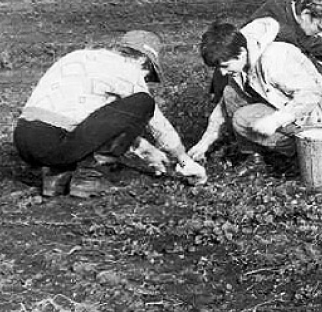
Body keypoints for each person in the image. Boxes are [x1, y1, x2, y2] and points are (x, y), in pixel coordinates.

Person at [13, 30, 207, 198]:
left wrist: (146, 150)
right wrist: (183, 159)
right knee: (143, 102)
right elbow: (156, 122)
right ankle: (90, 176)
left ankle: (56, 176)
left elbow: (100, 126)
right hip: (56, 142)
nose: (145, 79)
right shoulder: (127, 70)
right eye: (148, 72)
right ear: (142, 59)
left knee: (75, 118)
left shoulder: (79, 56)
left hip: (24, 138)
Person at [188, 18, 322, 164]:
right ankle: (254, 156)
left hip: (321, 120)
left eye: (225, 66)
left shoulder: (274, 59)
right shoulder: (239, 64)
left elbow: (310, 95)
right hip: (292, 111)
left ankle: (301, 154)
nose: (222, 73)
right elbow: (224, 105)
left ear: (242, 53)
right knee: (230, 94)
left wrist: (275, 120)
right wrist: (204, 143)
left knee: (242, 118)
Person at [250, 0, 322, 76]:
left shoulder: (304, 24)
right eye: (319, 28)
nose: (321, 35)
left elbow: (316, 49)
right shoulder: (275, 19)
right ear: (305, 14)